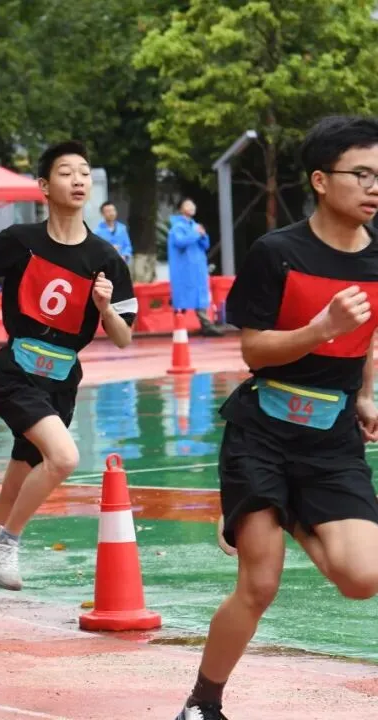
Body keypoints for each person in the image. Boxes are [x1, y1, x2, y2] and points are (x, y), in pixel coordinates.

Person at [174, 116, 378, 720]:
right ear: (321, 180)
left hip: (333, 438)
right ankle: (202, 704)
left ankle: (284, 510)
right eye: (360, 174)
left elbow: (371, 337)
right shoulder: (277, 253)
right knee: (260, 585)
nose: (373, 187)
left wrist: (367, 394)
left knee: (362, 578)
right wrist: (320, 331)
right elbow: (254, 350)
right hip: (261, 431)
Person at [0, 140, 137, 629]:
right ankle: (8, 542)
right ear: (45, 186)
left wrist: (105, 308)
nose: (78, 181)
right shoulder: (20, 239)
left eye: (85, 173)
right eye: (66, 173)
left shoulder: (105, 257)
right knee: (65, 457)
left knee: (13, 487)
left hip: (62, 380)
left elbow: (123, 337)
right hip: (16, 371)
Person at [168, 198, 222, 337]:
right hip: (183, 269)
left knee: (200, 296)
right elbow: (180, 242)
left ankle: (206, 325)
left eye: (193, 204)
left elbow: (205, 245)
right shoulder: (177, 227)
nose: (191, 207)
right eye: (187, 205)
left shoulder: (196, 226)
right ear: (181, 209)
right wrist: (197, 234)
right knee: (182, 297)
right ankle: (179, 326)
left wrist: (203, 236)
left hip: (198, 268)